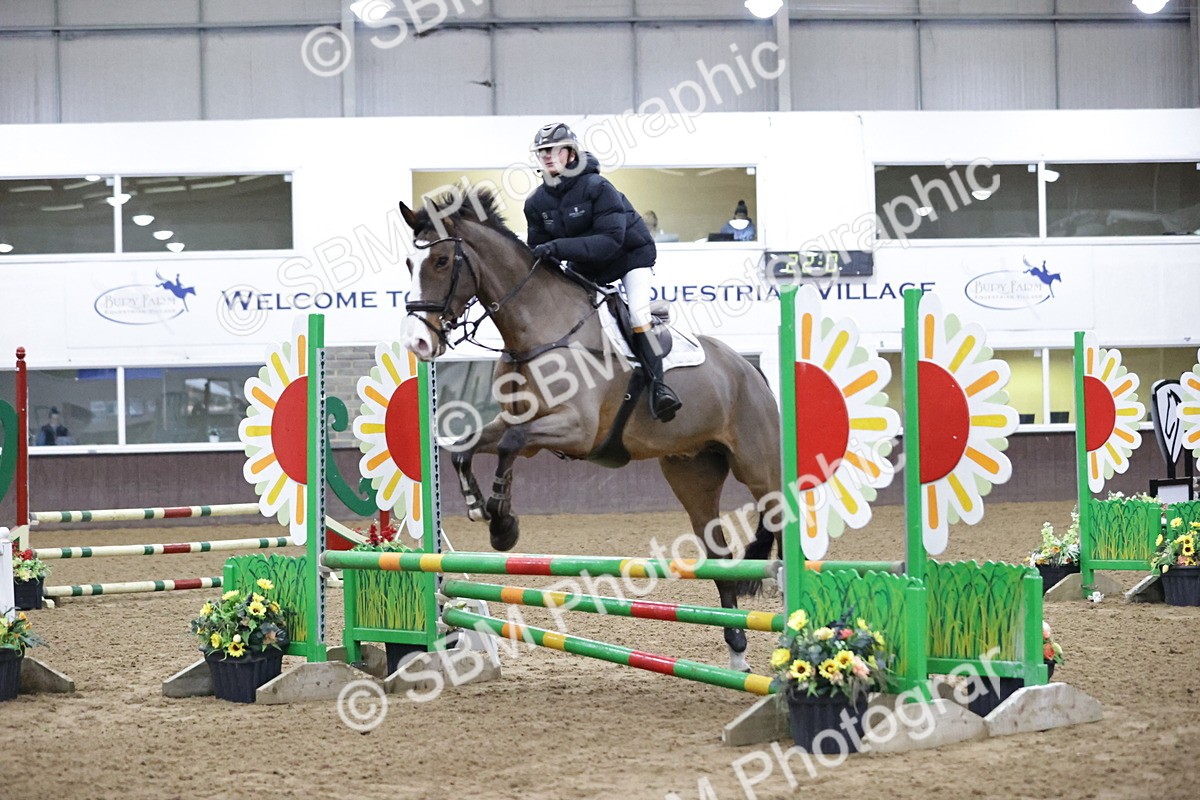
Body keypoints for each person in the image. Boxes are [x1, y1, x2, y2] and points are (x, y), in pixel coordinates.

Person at [524, 123, 682, 422]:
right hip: (586, 266)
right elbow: (540, 251)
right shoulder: (536, 202)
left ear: (570, 153)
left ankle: (659, 389)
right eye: (540, 152)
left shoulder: (599, 188)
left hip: (629, 257)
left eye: (551, 150)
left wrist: (556, 247)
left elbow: (609, 242)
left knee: (636, 314)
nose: (545, 156)